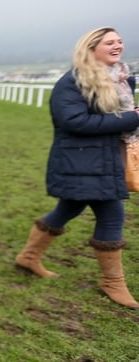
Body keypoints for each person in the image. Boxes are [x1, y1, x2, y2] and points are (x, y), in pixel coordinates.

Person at [15, 27, 139, 309]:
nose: (118, 45)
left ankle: (28, 257)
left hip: (103, 160)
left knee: (68, 208)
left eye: (119, 40)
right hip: (80, 161)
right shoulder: (72, 82)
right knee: (112, 214)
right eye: (110, 42)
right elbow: (75, 122)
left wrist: (129, 120)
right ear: (92, 47)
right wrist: (132, 119)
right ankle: (112, 283)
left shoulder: (121, 78)